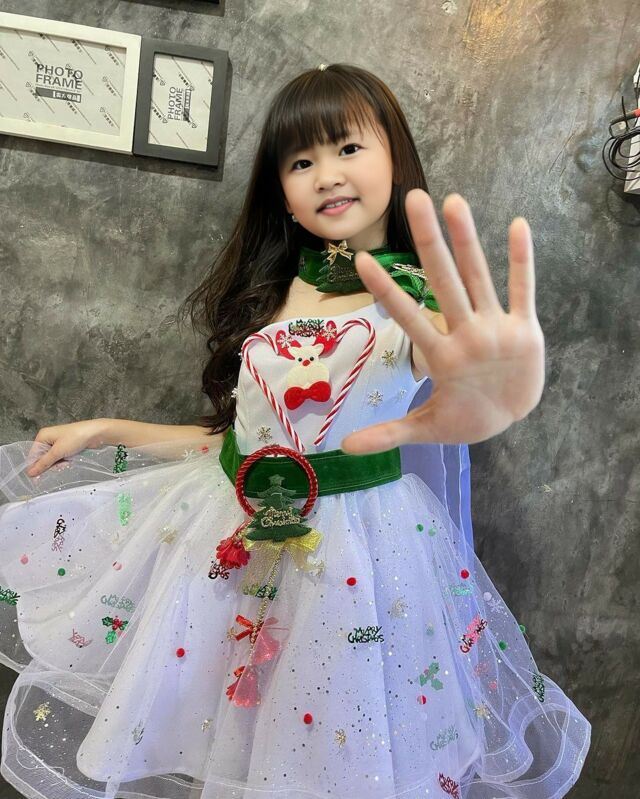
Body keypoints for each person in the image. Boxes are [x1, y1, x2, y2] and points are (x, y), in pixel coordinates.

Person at [0, 63, 590, 799]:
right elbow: (234, 443)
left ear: (396, 157)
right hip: (226, 543)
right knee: (227, 737)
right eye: (301, 161)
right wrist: (105, 430)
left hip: (354, 566)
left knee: (330, 745)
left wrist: (496, 388)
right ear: (281, 190)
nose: (327, 175)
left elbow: (456, 353)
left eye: (348, 148)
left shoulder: (418, 303)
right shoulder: (277, 289)